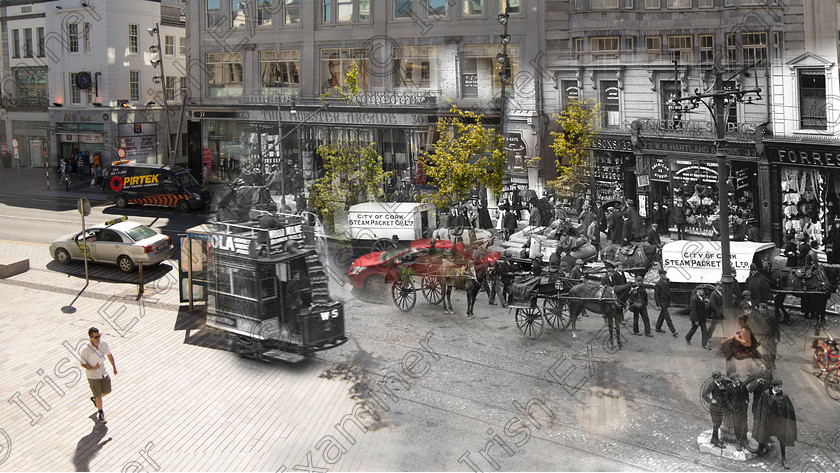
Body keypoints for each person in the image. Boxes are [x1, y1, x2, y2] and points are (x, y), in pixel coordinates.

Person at [754, 379, 797, 469]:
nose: (780, 389)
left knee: (782, 441)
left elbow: (789, 411)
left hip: (778, 424)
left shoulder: (784, 396)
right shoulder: (766, 394)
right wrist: (760, 418)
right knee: (762, 434)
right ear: (773, 387)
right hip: (767, 422)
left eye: (781, 387)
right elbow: (761, 406)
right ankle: (760, 450)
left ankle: (783, 459)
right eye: (778, 387)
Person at [80, 327, 117, 424]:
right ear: (90, 338)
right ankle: (100, 412)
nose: (98, 339)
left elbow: (109, 355)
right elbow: (83, 363)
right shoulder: (86, 350)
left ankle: (95, 399)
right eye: (96, 337)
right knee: (98, 396)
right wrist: (92, 368)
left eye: (99, 336)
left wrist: (114, 367)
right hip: (93, 376)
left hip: (103, 373)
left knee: (107, 391)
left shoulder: (103, 344)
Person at [702, 371, 729, 448]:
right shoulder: (712, 385)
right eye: (717, 378)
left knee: (718, 423)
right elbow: (704, 394)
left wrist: (724, 388)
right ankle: (716, 440)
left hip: (721, 406)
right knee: (716, 423)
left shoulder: (723, 382)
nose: (719, 379)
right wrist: (710, 401)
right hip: (715, 407)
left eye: (720, 377)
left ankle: (714, 439)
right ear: (714, 379)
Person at [727, 373, 750, 451]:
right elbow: (727, 399)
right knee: (736, 425)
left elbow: (746, 394)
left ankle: (744, 439)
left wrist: (747, 401)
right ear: (732, 380)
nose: (737, 381)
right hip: (735, 409)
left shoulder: (742, 385)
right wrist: (731, 407)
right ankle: (738, 441)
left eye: (738, 379)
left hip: (743, 408)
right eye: (735, 380)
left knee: (744, 423)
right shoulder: (729, 387)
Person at [654, 269, 678, 337]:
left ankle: (658, 327)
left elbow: (668, 292)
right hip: (662, 302)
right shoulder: (658, 284)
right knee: (667, 316)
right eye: (663, 274)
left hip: (666, 301)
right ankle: (673, 331)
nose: (664, 275)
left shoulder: (666, 281)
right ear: (660, 275)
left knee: (662, 315)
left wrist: (670, 300)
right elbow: (656, 295)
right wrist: (658, 305)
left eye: (665, 274)